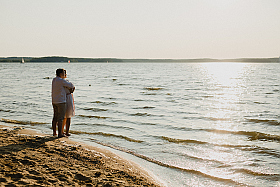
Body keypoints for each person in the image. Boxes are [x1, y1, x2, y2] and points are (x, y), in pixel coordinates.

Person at [52, 68, 75, 138]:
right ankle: (60, 134)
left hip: (54, 100)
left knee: (55, 117)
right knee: (61, 118)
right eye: (64, 73)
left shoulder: (54, 80)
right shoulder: (61, 81)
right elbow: (71, 86)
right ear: (61, 74)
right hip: (61, 101)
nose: (65, 74)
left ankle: (54, 132)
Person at [62, 69, 75, 136]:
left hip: (66, 97)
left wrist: (71, 89)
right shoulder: (63, 82)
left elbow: (72, 88)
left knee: (67, 116)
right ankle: (64, 131)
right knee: (66, 116)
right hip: (66, 97)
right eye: (64, 73)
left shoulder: (65, 82)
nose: (66, 75)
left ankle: (65, 131)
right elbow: (72, 88)